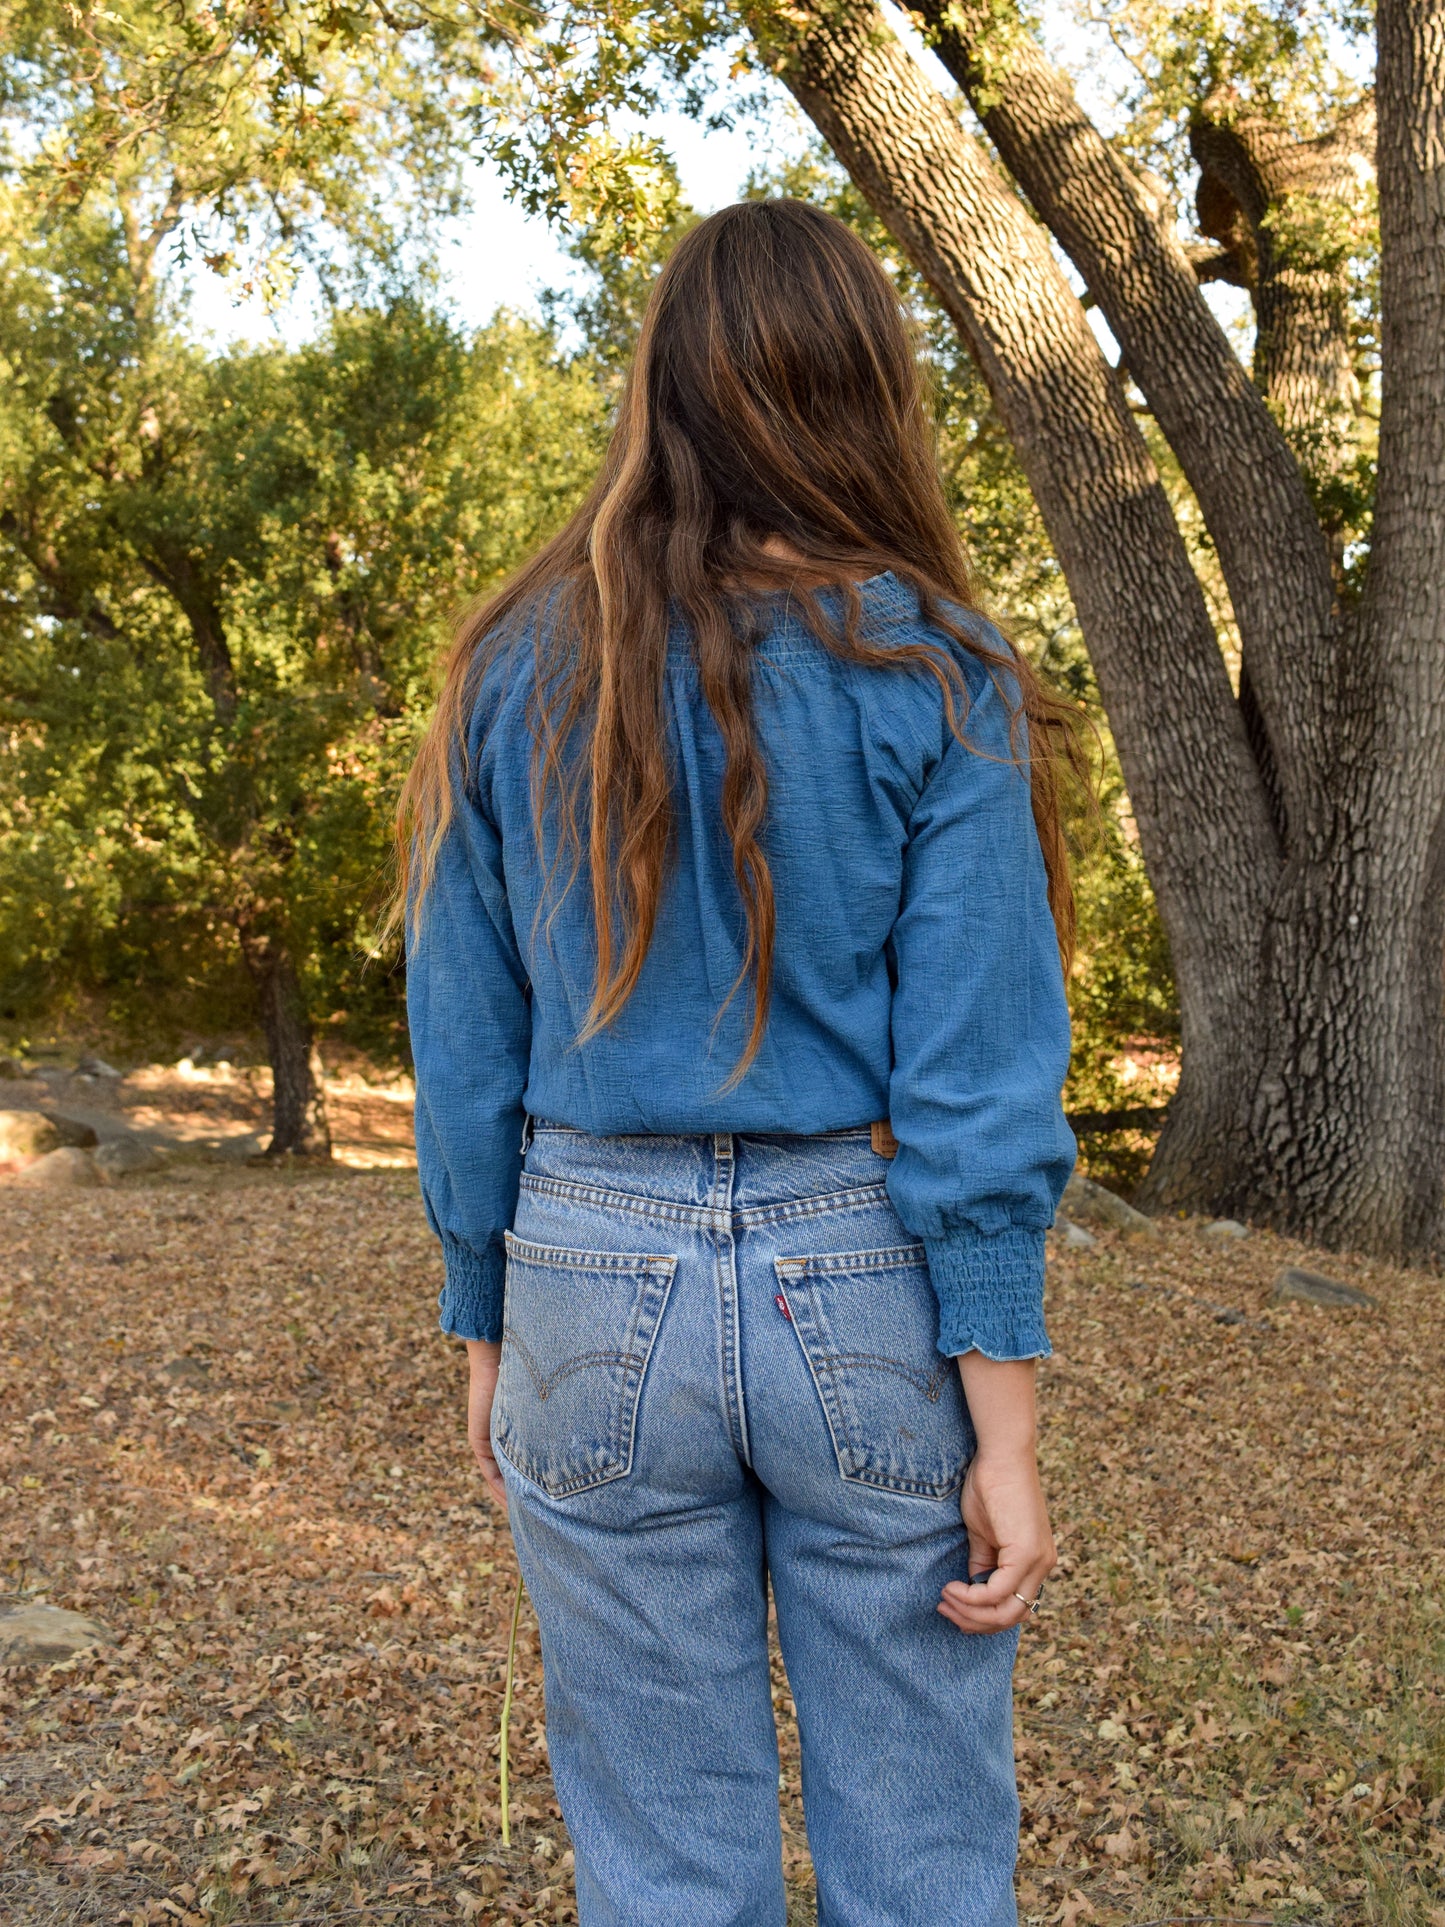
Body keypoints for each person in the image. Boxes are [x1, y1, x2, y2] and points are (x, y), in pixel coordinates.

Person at [397, 197, 1080, 1926]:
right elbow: (978, 1082)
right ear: (869, 393)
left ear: (663, 386)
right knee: (921, 1861)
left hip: (583, 1268)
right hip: (859, 1276)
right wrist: (1002, 1425)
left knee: (660, 1865)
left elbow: (465, 1038)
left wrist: (481, 1306)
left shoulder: (515, 665)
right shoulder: (938, 672)